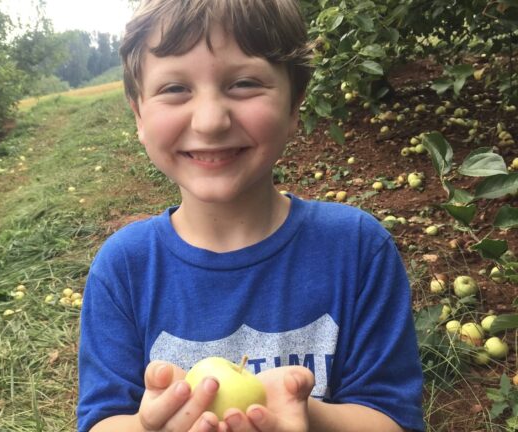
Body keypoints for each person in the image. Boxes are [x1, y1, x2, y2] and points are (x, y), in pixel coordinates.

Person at [77, 0, 425, 431]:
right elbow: (103, 421)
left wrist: (304, 416)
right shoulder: (124, 268)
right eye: (174, 89)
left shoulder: (357, 248)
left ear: (295, 105)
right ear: (139, 115)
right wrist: (150, 426)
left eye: (243, 83)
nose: (209, 121)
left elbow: (393, 418)